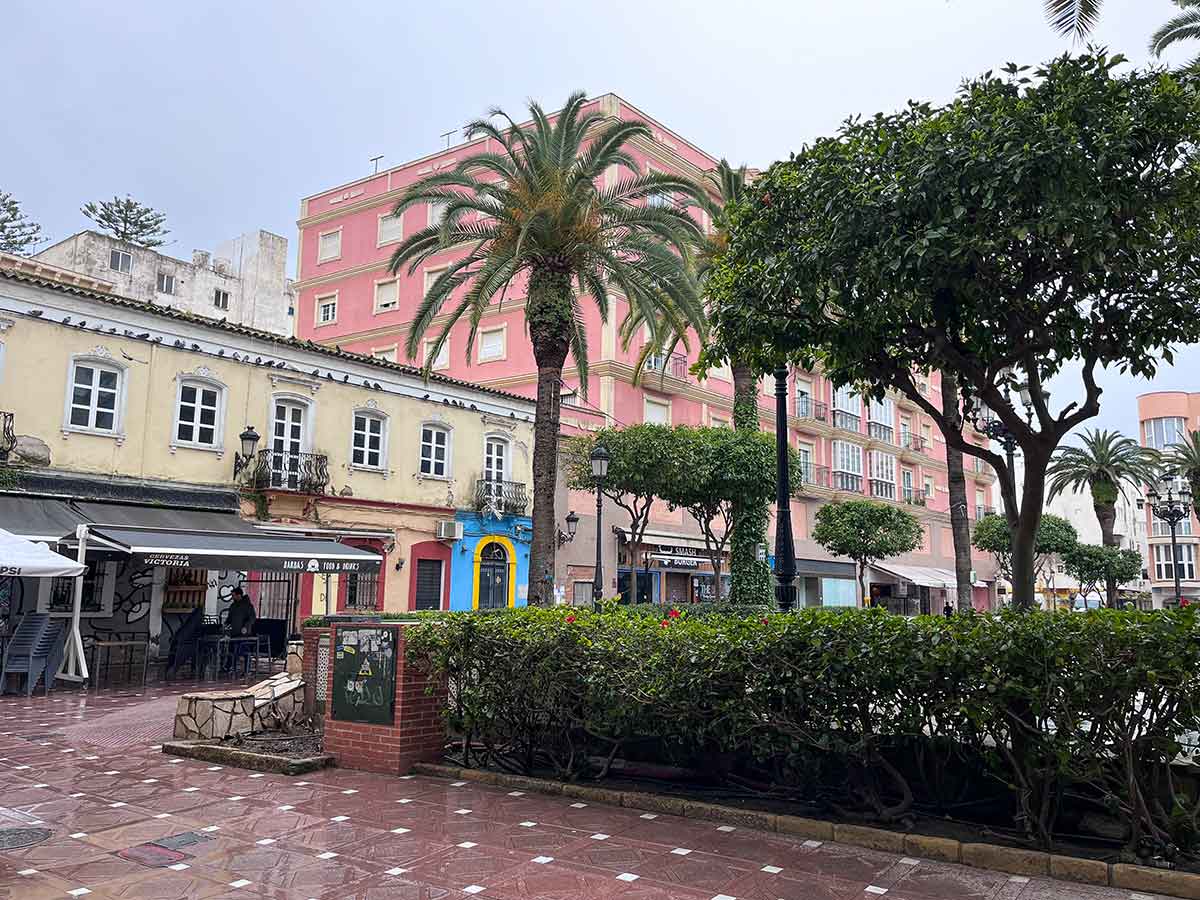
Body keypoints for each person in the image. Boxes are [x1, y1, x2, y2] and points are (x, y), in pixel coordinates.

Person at [225, 587, 257, 677]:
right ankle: (232, 668)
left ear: (239, 595)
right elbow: (229, 618)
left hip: (244, 634)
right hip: (234, 633)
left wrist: (246, 627)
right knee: (232, 652)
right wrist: (226, 624)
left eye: (233, 595)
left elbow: (252, 618)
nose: (232, 597)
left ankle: (246, 670)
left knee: (244, 652)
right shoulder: (233, 606)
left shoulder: (248, 606)